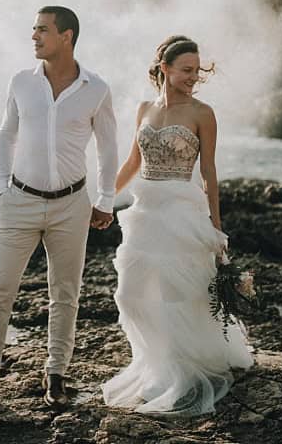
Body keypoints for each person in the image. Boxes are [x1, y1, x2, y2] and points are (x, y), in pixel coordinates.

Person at [0, 5, 118, 408]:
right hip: (18, 202)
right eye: (34, 29)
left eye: (42, 30)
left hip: (72, 205)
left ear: (66, 37)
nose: (34, 36)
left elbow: (108, 148)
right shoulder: (21, 81)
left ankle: (56, 376)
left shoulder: (96, 88)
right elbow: (6, 135)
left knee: (65, 293)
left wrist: (105, 200)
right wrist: (1, 189)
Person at [101, 35, 253, 416]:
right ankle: (154, 363)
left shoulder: (203, 113)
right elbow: (133, 163)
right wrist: (103, 199)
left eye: (197, 71)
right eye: (186, 70)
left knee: (176, 297)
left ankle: (178, 370)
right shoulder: (144, 109)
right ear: (165, 68)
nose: (193, 77)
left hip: (181, 214)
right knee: (131, 294)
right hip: (145, 213)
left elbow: (209, 172)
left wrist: (216, 227)